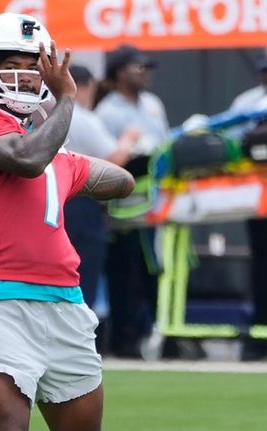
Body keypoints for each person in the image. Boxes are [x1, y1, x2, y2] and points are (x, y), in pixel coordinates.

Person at [0, 13, 134, 431]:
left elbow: (122, 182)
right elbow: (26, 160)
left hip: (64, 301)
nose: (24, 77)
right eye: (11, 66)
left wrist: (69, 167)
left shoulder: (53, 157)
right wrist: (66, 102)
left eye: (32, 67)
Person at [93, 44, 170, 359]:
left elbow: (165, 148)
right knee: (124, 278)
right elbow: (104, 162)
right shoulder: (107, 112)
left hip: (155, 211)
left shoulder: (152, 105)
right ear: (119, 71)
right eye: (137, 67)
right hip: (121, 216)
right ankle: (123, 342)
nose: (144, 73)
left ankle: (152, 337)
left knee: (155, 277)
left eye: (146, 67)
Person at [64, 64, 140, 310]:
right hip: (82, 203)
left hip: (52, 201)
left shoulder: (46, 114)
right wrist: (129, 139)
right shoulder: (83, 118)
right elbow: (115, 158)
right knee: (83, 274)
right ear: (83, 88)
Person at [227, 54, 267, 361]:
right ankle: (259, 333)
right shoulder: (247, 103)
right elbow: (228, 141)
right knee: (261, 266)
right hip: (258, 201)